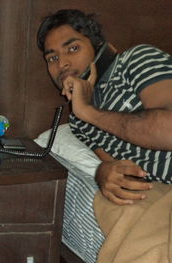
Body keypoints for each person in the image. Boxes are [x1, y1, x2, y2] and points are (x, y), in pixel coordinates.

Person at [37, 9, 172, 205]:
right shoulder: (78, 120)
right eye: (52, 58)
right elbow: (116, 167)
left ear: (98, 47)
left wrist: (90, 113)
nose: (62, 64)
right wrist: (102, 173)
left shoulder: (136, 59)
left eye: (73, 48)